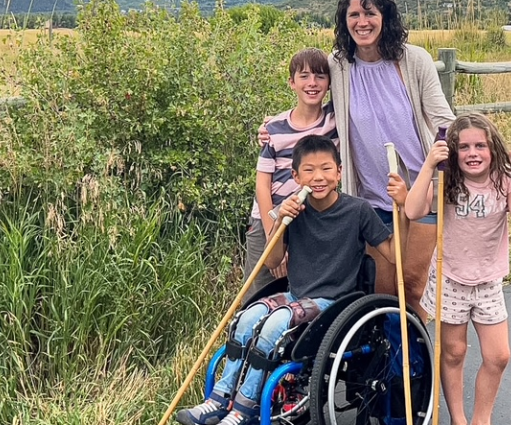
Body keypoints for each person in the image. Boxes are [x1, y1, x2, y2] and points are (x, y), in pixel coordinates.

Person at [177, 135, 406, 425]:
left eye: (326, 169)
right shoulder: (294, 210)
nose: (318, 177)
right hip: (296, 295)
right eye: (309, 170)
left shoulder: (358, 210)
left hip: (334, 304)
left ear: (339, 173)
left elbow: (394, 254)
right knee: (245, 319)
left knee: (275, 324)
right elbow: (272, 261)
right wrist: (279, 223)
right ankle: (219, 398)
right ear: (296, 176)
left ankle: (244, 407)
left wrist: (402, 210)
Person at [259, 0, 455, 320]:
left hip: (421, 197)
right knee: (380, 294)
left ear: (384, 16)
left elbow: (443, 122)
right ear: (344, 20)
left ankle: (415, 352)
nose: (362, 22)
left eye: (370, 13)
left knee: (413, 287)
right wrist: (275, 126)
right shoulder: (339, 65)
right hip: (371, 201)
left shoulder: (413, 60)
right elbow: (313, 105)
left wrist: (479, 160)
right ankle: (388, 354)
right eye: (354, 14)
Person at [404, 113, 511, 425]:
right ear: (453, 150)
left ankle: (481, 419)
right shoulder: (446, 177)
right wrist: (429, 165)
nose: (472, 153)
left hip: (488, 280)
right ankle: (458, 419)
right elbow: (413, 210)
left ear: (493, 149)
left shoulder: (505, 180)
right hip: (451, 277)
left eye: (480, 146)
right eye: (464, 147)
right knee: (454, 352)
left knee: (498, 355)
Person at [241, 48, 338, 304]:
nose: (312, 83)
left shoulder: (334, 122)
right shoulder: (275, 128)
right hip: (269, 218)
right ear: (292, 83)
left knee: (302, 295)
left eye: (320, 76)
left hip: (309, 222)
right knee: (257, 293)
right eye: (304, 76)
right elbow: (262, 185)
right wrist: (273, 236)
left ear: (329, 84)